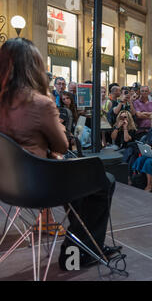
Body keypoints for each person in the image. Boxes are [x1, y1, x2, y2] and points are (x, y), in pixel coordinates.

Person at [0, 38, 120, 268]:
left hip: (7, 186)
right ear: (32, 67)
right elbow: (62, 147)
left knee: (80, 187)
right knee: (103, 181)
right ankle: (80, 251)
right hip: (39, 184)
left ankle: (82, 247)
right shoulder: (39, 102)